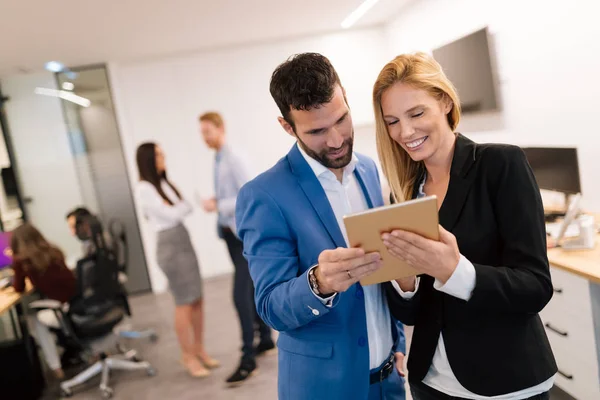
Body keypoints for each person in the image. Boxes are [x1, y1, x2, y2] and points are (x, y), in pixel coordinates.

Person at [374, 52, 557, 399]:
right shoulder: (405, 194)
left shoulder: (500, 164)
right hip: (431, 382)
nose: (405, 131)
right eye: (392, 121)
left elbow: (535, 286)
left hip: (506, 383)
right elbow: (409, 313)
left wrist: (456, 270)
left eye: (416, 113)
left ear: (444, 101)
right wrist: (404, 281)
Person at [235, 53, 406, 400]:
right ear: (287, 126)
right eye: (316, 131)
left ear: (345, 96)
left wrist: (397, 339)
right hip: (324, 388)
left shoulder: (369, 170)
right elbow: (270, 306)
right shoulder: (263, 195)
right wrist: (320, 283)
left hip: (390, 380)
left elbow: (384, 268)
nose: (336, 140)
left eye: (341, 119)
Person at [198, 111, 274, 386]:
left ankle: (247, 359)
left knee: (240, 295)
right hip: (230, 235)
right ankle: (264, 339)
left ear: (220, 128)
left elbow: (248, 193)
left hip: (243, 236)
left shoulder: (234, 157)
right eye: (201, 133)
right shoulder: (218, 158)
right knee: (249, 289)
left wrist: (218, 205)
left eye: (207, 131)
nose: (204, 137)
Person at [135, 142, 218, 378]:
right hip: (170, 246)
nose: (164, 157)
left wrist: (178, 208)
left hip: (182, 240)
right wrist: (179, 207)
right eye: (159, 155)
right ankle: (187, 356)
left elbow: (181, 209)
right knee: (184, 301)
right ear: (148, 160)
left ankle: (199, 349)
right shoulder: (144, 189)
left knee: (197, 299)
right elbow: (174, 213)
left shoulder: (162, 184)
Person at [11, 222, 77, 380]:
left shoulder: (22, 261)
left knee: (35, 319)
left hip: (62, 310)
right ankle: (79, 350)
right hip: (78, 303)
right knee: (41, 313)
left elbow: (18, 288)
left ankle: (56, 368)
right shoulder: (54, 251)